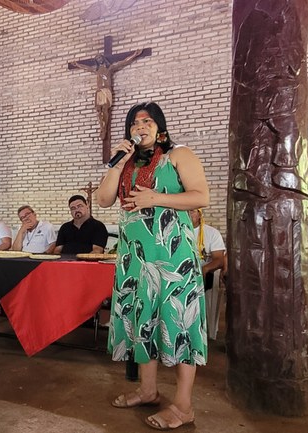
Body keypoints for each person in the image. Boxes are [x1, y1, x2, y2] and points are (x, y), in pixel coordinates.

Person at [97, 102, 209, 430]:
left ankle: (184, 406)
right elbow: (103, 200)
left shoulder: (179, 154)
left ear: (159, 127)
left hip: (173, 259)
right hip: (135, 260)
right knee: (142, 320)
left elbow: (201, 196)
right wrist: (115, 165)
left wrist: (156, 198)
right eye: (134, 122)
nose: (139, 126)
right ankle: (147, 390)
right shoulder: (126, 161)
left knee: (180, 324)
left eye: (146, 121)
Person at [189, 208, 226, 290]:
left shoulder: (212, 233)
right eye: (186, 211)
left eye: (192, 211)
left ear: (199, 215)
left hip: (207, 279)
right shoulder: (179, 232)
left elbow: (219, 260)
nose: (188, 214)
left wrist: (205, 269)